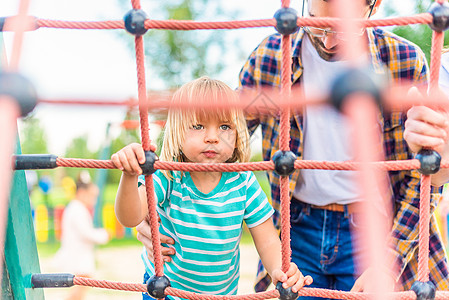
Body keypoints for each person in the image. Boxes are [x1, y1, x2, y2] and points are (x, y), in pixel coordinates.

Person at [137, 0, 449, 296]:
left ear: (374, 6)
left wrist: (387, 261)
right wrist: (150, 211)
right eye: (318, 24)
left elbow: (425, 177)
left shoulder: (404, 62)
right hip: (295, 227)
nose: (328, 42)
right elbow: (218, 138)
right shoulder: (272, 59)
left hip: (375, 229)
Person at [111, 77, 313, 300]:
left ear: (237, 135)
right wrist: (129, 176)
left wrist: (278, 269)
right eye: (198, 126)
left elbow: (267, 240)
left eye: (225, 126)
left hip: (219, 296)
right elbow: (129, 217)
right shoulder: (168, 177)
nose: (212, 138)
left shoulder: (243, 182)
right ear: (177, 133)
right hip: (165, 291)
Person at [53, 173, 109, 300]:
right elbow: (86, 233)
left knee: (80, 291)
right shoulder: (77, 209)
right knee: (77, 292)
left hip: (79, 255)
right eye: (92, 196)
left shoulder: (77, 208)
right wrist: (104, 235)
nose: (93, 201)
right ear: (82, 192)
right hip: (77, 256)